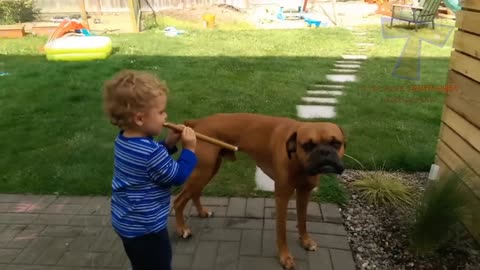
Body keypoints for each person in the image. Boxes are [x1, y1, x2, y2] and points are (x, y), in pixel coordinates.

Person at [102, 69, 198, 270]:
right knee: (158, 264)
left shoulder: (124, 140)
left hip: (126, 220)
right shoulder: (151, 153)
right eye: (161, 111)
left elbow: (148, 163)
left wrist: (169, 143)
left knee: (142, 262)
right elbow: (177, 175)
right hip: (146, 228)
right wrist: (189, 149)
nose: (166, 116)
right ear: (139, 119)